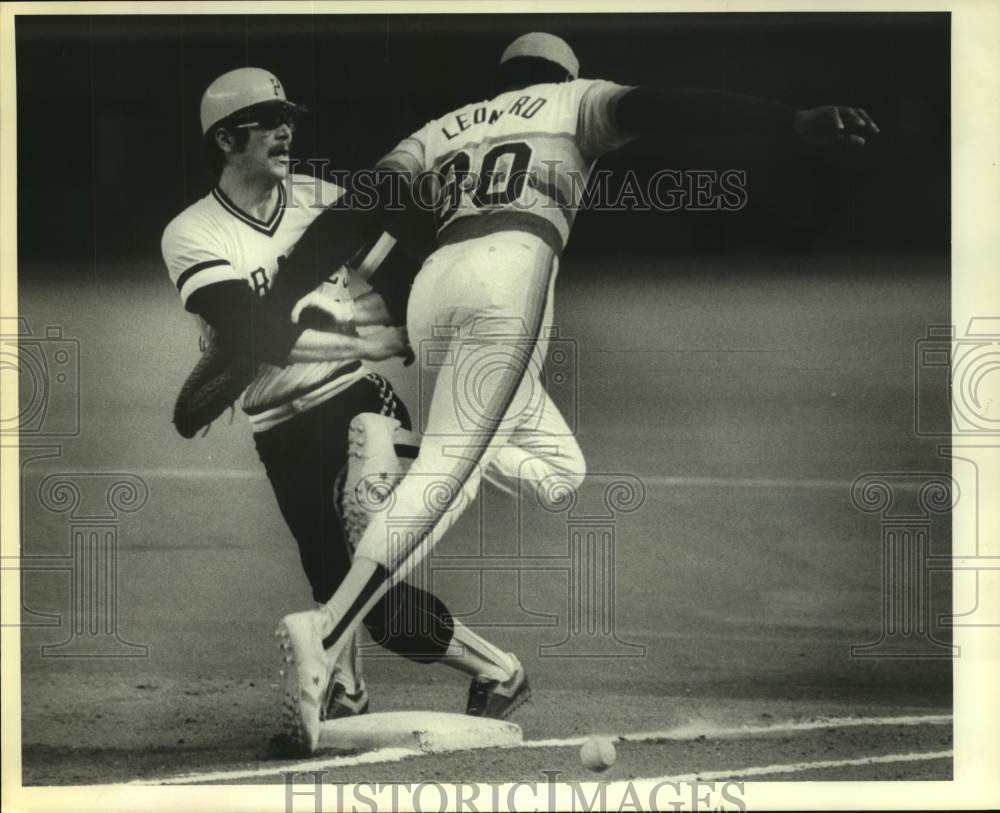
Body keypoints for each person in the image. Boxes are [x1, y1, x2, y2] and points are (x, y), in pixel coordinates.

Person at [276, 32, 881, 753]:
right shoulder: (575, 99)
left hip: (438, 285)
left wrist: (273, 302)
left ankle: (394, 442)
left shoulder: (441, 128)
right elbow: (674, 108)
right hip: (512, 271)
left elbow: (359, 207)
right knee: (451, 473)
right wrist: (790, 119)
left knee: (559, 469)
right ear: (564, 72)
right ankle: (329, 627)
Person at [161, 67, 531, 745]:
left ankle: (430, 664)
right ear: (225, 139)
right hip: (278, 430)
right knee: (350, 594)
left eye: (289, 117)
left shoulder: (326, 202)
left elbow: (397, 268)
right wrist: (356, 330)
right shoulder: (193, 234)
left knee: (362, 544)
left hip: (361, 402)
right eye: (267, 120)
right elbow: (252, 332)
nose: (285, 130)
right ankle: (470, 675)